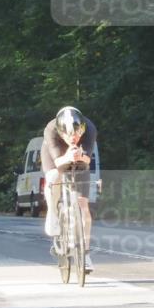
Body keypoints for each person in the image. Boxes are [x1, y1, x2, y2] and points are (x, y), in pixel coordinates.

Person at [41, 106, 97, 272]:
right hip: (56, 154)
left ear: (82, 128)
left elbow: (87, 159)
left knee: (83, 205)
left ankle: (85, 254)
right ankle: (52, 213)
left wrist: (80, 156)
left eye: (77, 134)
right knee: (53, 177)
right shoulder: (51, 130)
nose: (74, 138)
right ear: (61, 131)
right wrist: (67, 156)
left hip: (78, 155)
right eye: (69, 135)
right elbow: (58, 162)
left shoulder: (90, 129)